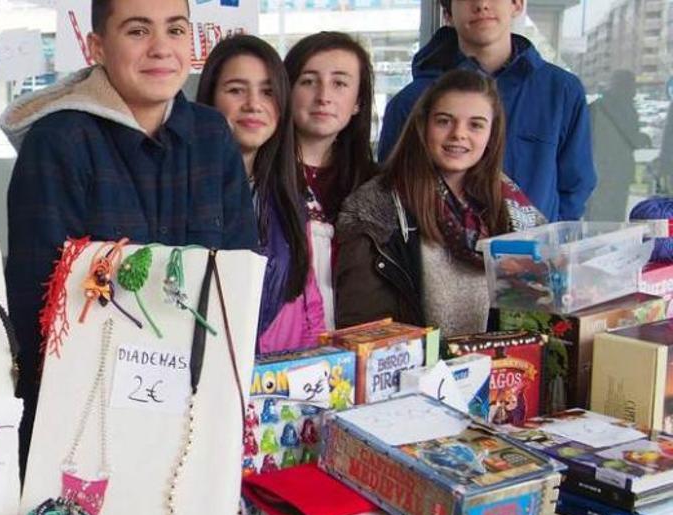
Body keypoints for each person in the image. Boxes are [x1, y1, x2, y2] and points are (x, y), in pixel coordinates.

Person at [1, 0, 258, 469]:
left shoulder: (210, 135)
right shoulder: (58, 141)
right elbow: (39, 309)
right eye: (138, 31)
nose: (161, 48)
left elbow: (239, 279)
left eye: (175, 30)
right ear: (97, 45)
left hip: (195, 409)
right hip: (85, 420)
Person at [337, 70, 545, 335]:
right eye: (444, 121)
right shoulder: (375, 209)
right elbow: (365, 328)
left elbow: (534, 311)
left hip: (503, 369)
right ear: (423, 126)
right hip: (415, 372)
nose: (458, 134)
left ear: (492, 135)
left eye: (476, 124)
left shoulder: (513, 207)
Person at [377, 0, 595, 221]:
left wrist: (548, 242)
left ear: (517, 4)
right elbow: (391, 194)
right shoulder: (410, 102)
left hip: (535, 251)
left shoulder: (561, 91)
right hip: (436, 252)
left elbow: (575, 187)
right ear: (447, 13)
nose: (481, 4)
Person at [197, 35, 324, 353]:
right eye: (236, 90)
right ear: (209, 99)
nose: (254, 104)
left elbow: (308, 300)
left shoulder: (288, 192)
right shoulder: (185, 190)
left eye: (268, 92)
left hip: (275, 378)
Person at [283, 31, 379, 331]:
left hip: (356, 350)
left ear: (358, 102)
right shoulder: (258, 177)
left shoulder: (378, 187)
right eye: (308, 81)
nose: (323, 96)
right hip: (282, 356)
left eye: (339, 83)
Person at [588, 70, 650, 221]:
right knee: (614, 215)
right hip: (617, 171)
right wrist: (644, 139)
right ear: (625, 86)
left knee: (597, 215)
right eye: (632, 85)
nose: (634, 90)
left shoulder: (595, 107)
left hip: (599, 170)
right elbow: (632, 139)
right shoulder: (627, 110)